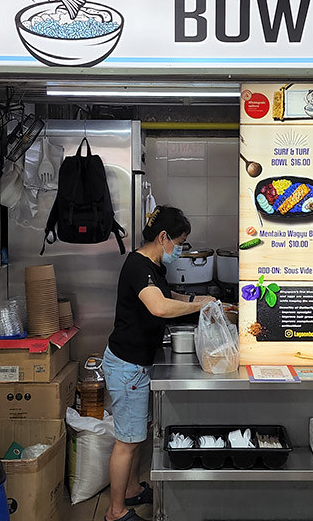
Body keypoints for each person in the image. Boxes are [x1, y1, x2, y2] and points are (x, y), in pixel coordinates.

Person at [103, 205, 215, 521]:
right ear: (163, 237)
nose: (179, 250)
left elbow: (169, 296)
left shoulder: (153, 266)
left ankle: (131, 490)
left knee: (136, 433)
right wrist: (196, 308)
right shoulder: (138, 267)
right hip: (127, 366)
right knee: (127, 441)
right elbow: (159, 308)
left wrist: (199, 302)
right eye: (179, 243)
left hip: (137, 364)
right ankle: (115, 512)